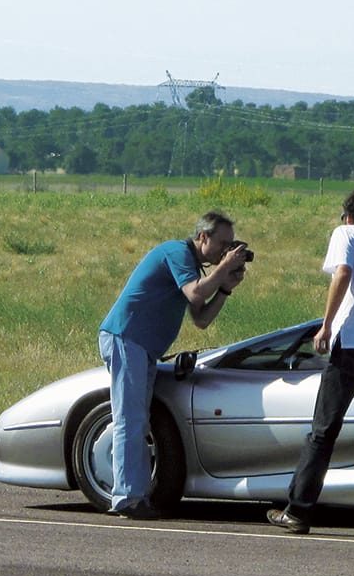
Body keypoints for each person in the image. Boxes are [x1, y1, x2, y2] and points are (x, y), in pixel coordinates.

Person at [267, 189, 354, 537]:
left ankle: (298, 509)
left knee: (324, 428)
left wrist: (326, 324)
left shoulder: (346, 234)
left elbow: (342, 272)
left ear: (348, 216)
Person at [99, 211, 248, 519]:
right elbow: (194, 292)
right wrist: (222, 269)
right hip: (126, 338)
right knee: (131, 419)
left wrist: (225, 289)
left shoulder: (192, 267)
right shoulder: (176, 252)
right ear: (203, 236)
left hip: (142, 347)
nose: (226, 250)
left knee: (138, 420)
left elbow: (202, 319)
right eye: (224, 243)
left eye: (231, 245)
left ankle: (134, 495)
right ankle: (127, 498)